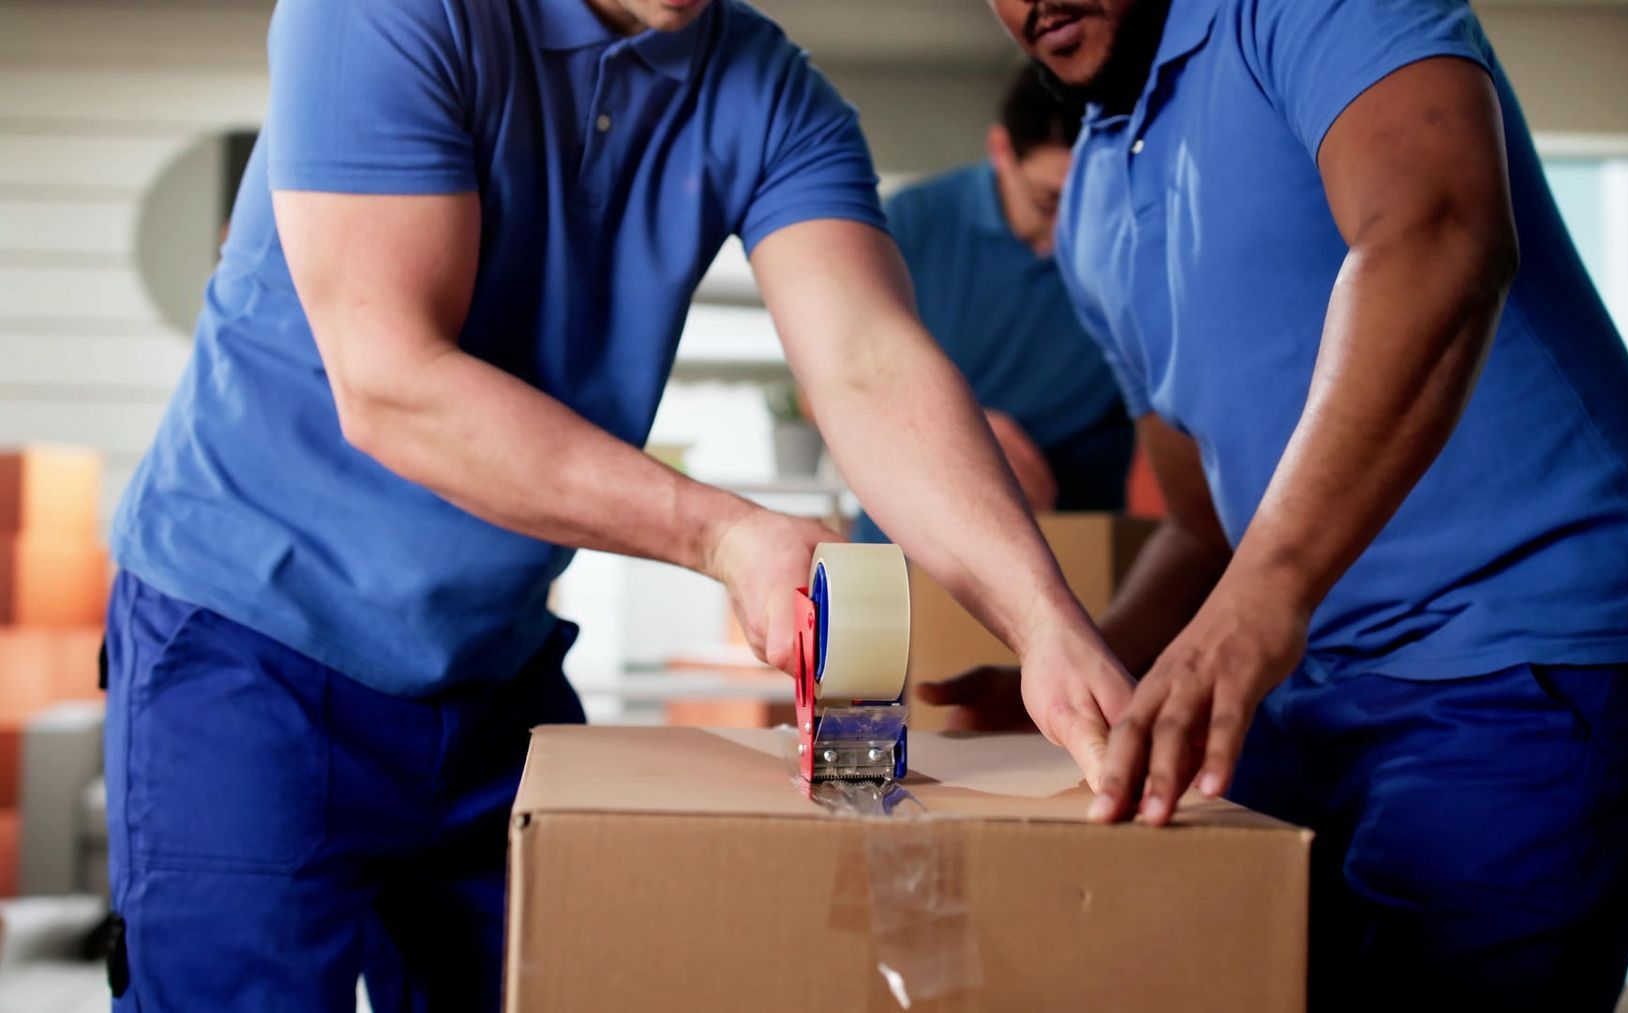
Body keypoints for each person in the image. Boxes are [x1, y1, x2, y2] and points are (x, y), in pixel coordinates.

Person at [102, 0, 1134, 1008]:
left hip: (488, 661)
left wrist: (1041, 621)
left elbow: (869, 364)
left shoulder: (772, 93)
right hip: (250, 648)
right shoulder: (392, 12)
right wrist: (726, 537)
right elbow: (391, 383)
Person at [941, 0, 1628, 1007]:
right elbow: (1201, 525)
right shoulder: (1094, 201)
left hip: (1531, 649)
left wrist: (1265, 593)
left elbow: (1439, 229)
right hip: (1313, 677)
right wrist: (1077, 670)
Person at [849, 65, 1134, 543]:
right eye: (1050, 200)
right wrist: (960, 432)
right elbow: (822, 390)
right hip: (909, 549)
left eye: (1093, 198)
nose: (1073, 224)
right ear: (1000, 150)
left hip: (1079, 550)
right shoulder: (912, 224)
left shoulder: (1136, 244)